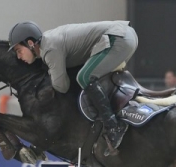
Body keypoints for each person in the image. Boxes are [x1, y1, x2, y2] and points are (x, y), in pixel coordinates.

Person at [8, 21, 138, 149]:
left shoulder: (48, 49)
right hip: (126, 35)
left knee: (85, 77)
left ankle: (113, 126)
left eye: (19, 50)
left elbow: (62, 87)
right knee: (88, 76)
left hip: (119, 37)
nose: (19, 56)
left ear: (30, 43)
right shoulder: (49, 41)